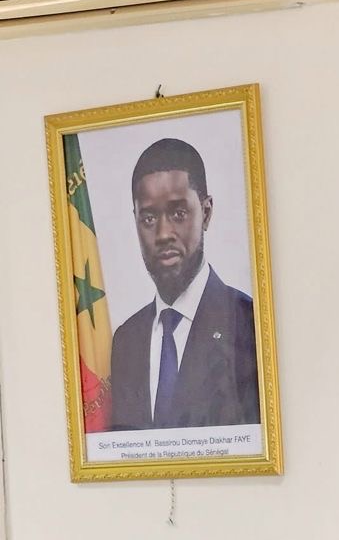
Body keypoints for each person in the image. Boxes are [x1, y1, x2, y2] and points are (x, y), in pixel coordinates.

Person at [108, 137, 260, 431]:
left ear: (206, 212)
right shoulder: (126, 341)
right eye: (148, 218)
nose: (163, 233)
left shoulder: (248, 324)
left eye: (178, 213)